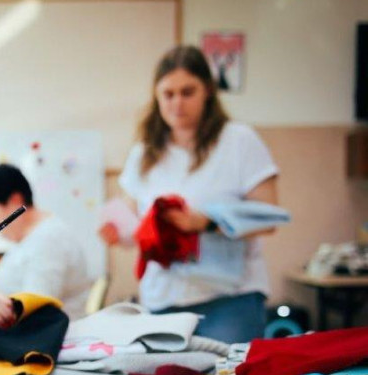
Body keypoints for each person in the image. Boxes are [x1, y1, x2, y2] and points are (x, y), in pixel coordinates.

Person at [100, 45, 282, 343]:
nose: (177, 103)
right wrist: (118, 232)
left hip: (230, 299)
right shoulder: (144, 152)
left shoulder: (239, 140)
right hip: (163, 300)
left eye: (188, 92)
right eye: (168, 94)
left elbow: (269, 216)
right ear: (156, 96)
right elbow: (134, 223)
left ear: (208, 91)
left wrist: (205, 223)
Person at [0, 163, 91, 329]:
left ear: (16, 201)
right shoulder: (29, 238)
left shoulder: (49, 239)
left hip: (49, 340)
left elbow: (35, 308)